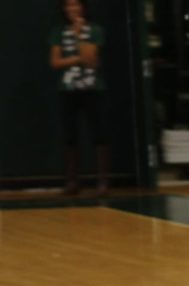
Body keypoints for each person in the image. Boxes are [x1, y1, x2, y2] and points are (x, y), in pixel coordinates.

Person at [49, 0, 107, 196]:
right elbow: (55, 61)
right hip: (68, 88)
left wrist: (79, 34)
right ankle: (73, 180)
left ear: (83, 7)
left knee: (98, 131)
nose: (72, 9)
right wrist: (77, 59)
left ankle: (102, 181)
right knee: (70, 133)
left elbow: (91, 60)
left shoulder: (95, 30)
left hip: (92, 86)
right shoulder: (58, 31)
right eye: (68, 6)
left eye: (76, 5)